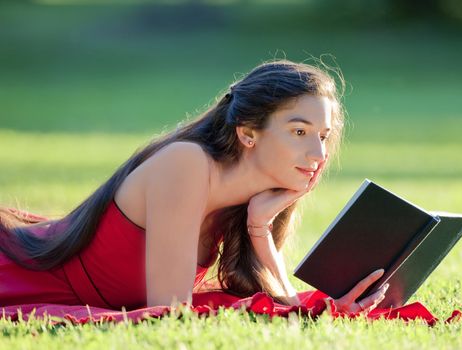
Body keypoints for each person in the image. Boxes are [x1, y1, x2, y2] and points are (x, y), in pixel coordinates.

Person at [0, 59, 389, 316]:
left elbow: (277, 298)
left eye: (323, 135)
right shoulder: (185, 164)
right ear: (248, 134)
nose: (318, 152)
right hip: (18, 277)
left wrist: (259, 229)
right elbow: (168, 311)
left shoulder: (248, 204)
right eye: (299, 131)